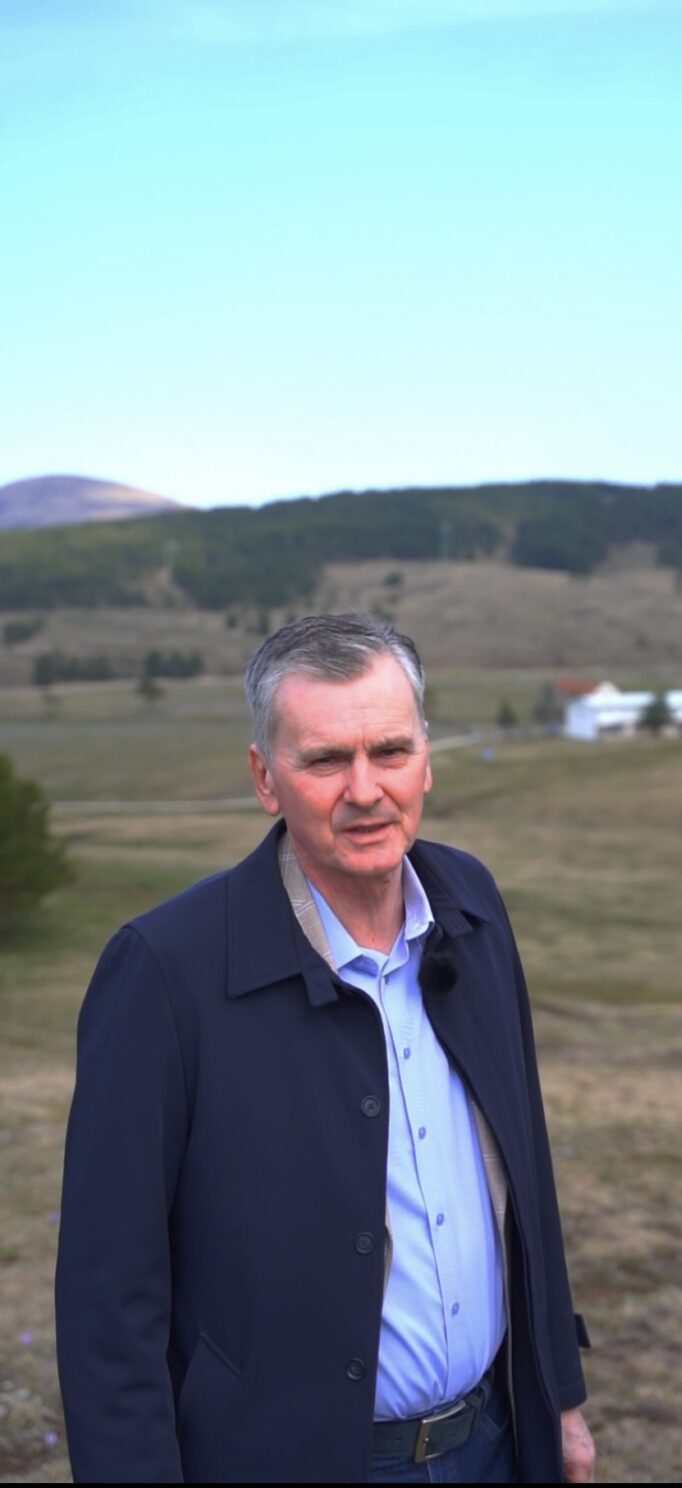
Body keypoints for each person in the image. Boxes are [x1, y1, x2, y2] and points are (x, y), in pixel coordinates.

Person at [56, 612, 594, 1484]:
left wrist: (559, 1398)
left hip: (495, 1444)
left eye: (390, 751)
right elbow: (107, 1304)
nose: (366, 789)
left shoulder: (473, 904)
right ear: (265, 778)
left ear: (426, 757)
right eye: (326, 760)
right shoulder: (164, 971)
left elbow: (526, 1167)